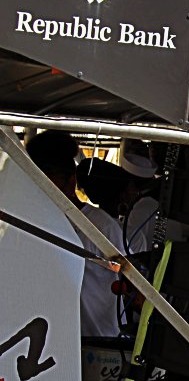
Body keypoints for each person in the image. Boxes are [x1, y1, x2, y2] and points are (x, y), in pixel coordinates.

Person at [26, 131, 125, 338]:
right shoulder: (33, 222)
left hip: (97, 337)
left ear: (70, 183)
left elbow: (126, 277)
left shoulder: (100, 227)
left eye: (48, 187)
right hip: (52, 339)